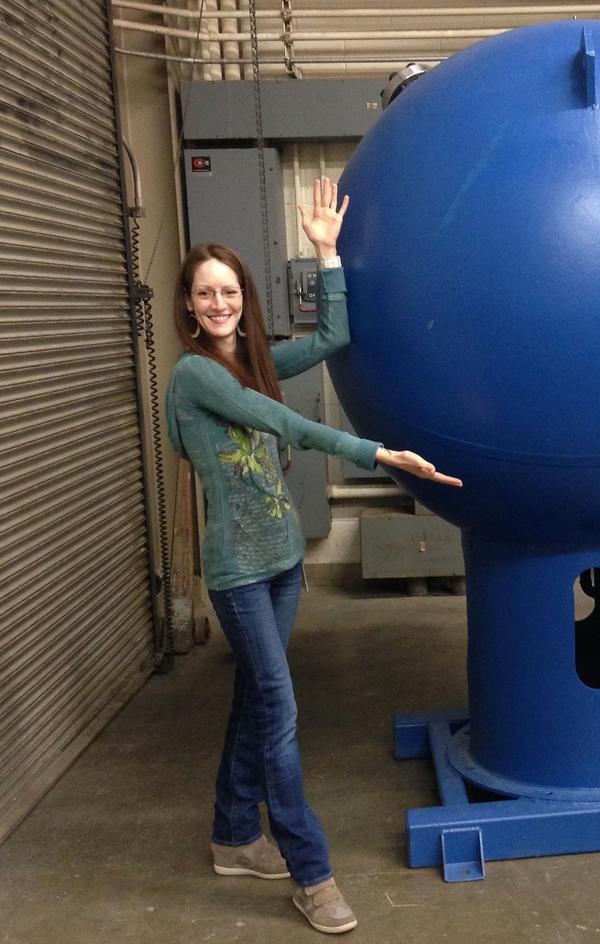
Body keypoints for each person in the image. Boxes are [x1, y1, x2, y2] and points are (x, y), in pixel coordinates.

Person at [165, 177, 461, 935]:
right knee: (281, 712)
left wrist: (327, 254)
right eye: (205, 294)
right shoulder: (196, 375)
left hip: (283, 563)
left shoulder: (256, 357)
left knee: (256, 703)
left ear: (243, 296)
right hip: (236, 572)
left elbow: (333, 339)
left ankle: (234, 834)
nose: (219, 303)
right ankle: (311, 870)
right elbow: (284, 425)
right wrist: (378, 452)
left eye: (229, 291)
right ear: (189, 306)